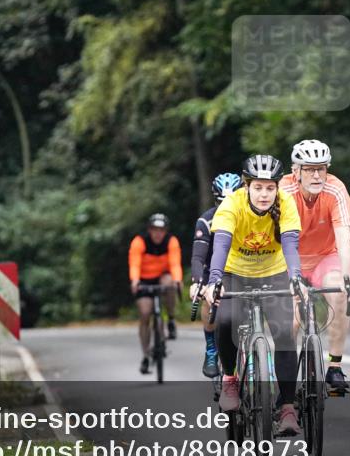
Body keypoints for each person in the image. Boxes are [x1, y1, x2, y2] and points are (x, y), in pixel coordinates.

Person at [203, 155, 306, 437]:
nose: (264, 194)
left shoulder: (286, 204)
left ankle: (286, 409)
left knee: (285, 333)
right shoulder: (231, 205)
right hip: (234, 272)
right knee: (225, 320)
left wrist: (296, 278)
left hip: (274, 272)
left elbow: (290, 245)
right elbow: (221, 246)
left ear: (277, 188)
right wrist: (214, 282)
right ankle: (229, 381)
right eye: (258, 187)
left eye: (269, 188)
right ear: (246, 186)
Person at [279, 139, 350, 395]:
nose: (316, 174)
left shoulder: (335, 189)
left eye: (321, 168)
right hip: (290, 258)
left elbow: (344, 239)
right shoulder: (283, 191)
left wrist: (347, 279)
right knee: (291, 321)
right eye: (309, 169)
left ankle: (334, 366)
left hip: (326, 256)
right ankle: (286, 382)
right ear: (296, 171)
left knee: (340, 292)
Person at [190, 172, 243, 378]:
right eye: (222, 202)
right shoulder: (206, 220)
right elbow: (198, 257)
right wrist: (197, 282)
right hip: (211, 267)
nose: (226, 206)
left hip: (240, 267)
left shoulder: (249, 216)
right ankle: (211, 349)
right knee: (209, 298)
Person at [128, 213, 183, 374]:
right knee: (145, 314)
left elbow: (175, 264)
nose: (158, 233)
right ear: (149, 230)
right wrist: (135, 280)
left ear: (166, 231)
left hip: (162, 277)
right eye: (155, 230)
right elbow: (135, 264)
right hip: (144, 281)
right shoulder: (139, 242)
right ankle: (145, 356)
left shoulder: (171, 241)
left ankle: (171, 319)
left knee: (170, 282)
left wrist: (178, 280)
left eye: (161, 230)